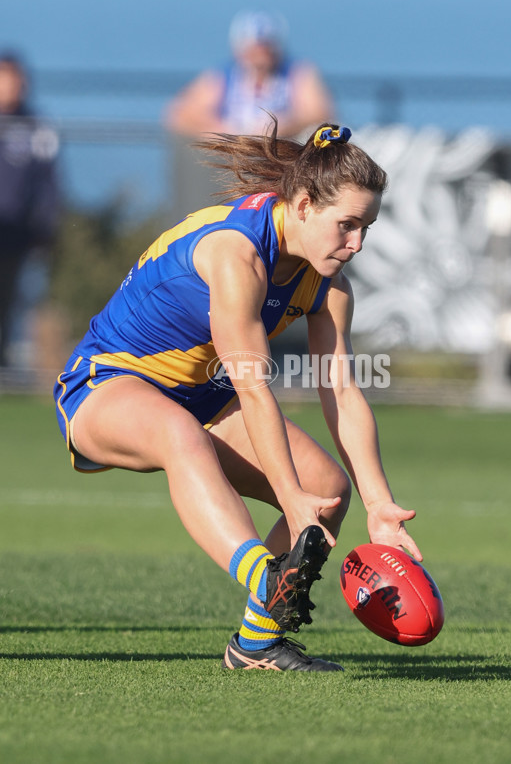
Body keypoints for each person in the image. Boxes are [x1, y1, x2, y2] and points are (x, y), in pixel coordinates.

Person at [53, 120, 422, 672]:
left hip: (202, 395)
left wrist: (378, 504)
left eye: (366, 228)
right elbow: (252, 387)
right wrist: (285, 494)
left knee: (326, 490)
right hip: (106, 384)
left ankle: (257, 642)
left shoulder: (329, 285)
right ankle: (265, 578)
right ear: (301, 206)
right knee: (180, 435)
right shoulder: (236, 255)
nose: (356, 245)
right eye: (346, 225)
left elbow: (342, 391)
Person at [164, 10, 334, 138]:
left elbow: (321, 113)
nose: (260, 57)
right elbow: (179, 114)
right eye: (254, 49)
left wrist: (284, 125)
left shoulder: (297, 73)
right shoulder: (223, 76)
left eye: (266, 49)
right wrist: (225, 131)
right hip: (232, 163)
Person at [0, 51, 60, 368]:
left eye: (16, 79)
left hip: (21, 238)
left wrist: (45, 227)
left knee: (17, 304)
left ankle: (10, 371)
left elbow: (49, 185)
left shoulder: (36, 127)